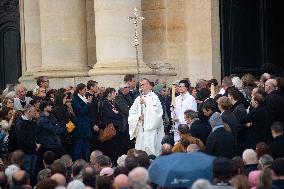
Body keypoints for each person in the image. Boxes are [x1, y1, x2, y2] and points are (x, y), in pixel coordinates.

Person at [128, 78, 165, 156]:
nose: (141, 87)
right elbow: (131, 113)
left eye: (143, 85)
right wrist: (138, 117)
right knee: (140, 150)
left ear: (148, 85)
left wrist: (146, 104)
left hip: (150, 129)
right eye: (140, 85)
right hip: (141, 128)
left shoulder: (154, 97)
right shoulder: (138, 99)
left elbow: (158, 113)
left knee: (150, 151)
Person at [15, 104, 40, 180]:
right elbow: (22, 140)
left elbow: (37, 134)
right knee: (26, 173)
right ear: (29, 112)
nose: (35, 112)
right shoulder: (20, 123)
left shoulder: (32, 121)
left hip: (34, 151)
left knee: (32, 172)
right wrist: (35, 146)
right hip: (26, 152)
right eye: (34, 111)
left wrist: (39, 143)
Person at [100, 87, 123, 165]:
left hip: (116, 127)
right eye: (114, 93)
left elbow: (119, 114)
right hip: (110, 128)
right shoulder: (105, 103)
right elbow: (109, 115)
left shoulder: (112, 102)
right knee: (110, 147)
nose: (115, 94)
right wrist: (116, 114)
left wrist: (117, 113)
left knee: (116, 146)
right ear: (109, 94)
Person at [71, 83, 93, 161]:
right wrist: (88, 103)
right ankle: (77, 163)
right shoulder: (75, 99)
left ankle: (86, 161)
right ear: (79, 90)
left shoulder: (83, 98)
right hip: (80, 125)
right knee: (78, 147)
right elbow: (82, 111)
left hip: (86, 125)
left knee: (86, 147)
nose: (85, 91)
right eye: (84, 90)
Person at [115, 82, 133, 153]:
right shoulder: (118, 97)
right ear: (123, 89)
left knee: (130, 143)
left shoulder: (128, 96)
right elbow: (126, 110)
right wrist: (131, 110)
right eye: (128, 87)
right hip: (123, 124)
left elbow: (133, 107)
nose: (129, 89)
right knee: (124, 144)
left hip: (130, 122)